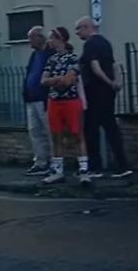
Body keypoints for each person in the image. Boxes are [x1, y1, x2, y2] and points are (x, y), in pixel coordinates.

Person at [75, 16, 132, 180]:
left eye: (78, 29)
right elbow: (114, 65)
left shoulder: (90, 44)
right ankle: (123, 166)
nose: (77, 33)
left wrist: (108, 82)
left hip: (95, 90)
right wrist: (116, 82)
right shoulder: (106, 43)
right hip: (108, 93)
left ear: (87, 27)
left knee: (91, 129)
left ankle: (95, 168)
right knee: (111, 127)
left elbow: (95, 67)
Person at [40, 27, 89, 184]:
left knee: (77, 135)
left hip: (71, 101)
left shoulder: (73, 58)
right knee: (56, 136)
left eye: (51, 38)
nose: (49, 41)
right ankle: (58, 171)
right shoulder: (51, 60)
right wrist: (59, 79)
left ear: (59, 38)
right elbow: (43, 81)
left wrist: (55, 80)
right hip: (54, 101)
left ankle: (83, 170)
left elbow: (68, 82)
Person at [21, 26, 52, 177]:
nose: (29, 41)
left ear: (40, 38)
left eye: (31, 37)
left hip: (44, 99)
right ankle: (40, 162)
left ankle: (53, 162)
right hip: (31, 98)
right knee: (34, 131)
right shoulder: (35, 55)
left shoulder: (49, 54)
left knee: (48, 131)